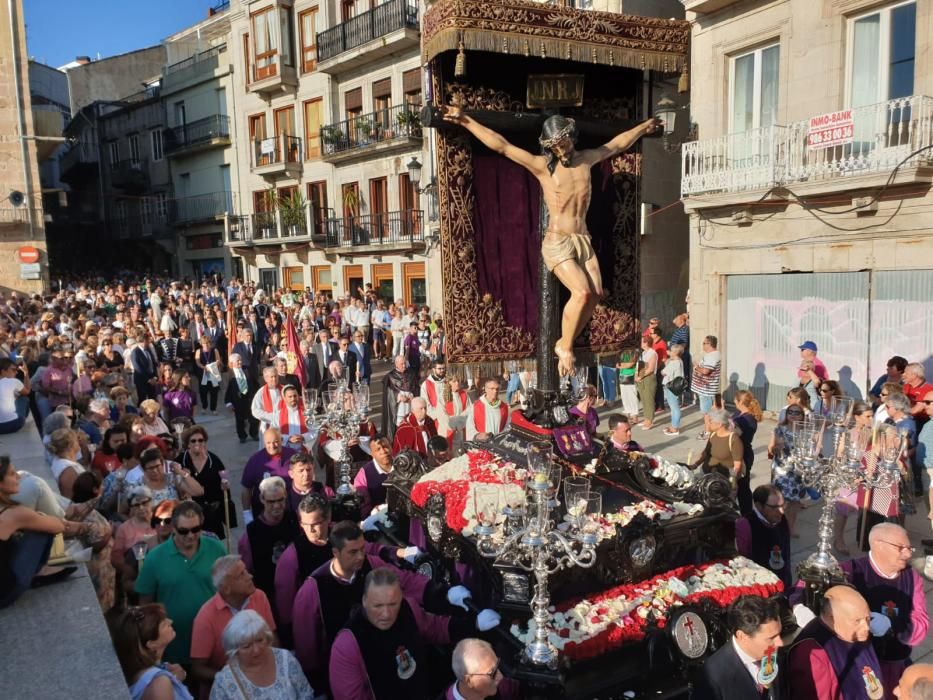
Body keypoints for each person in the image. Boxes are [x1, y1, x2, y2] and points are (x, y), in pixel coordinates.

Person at [442, 106, 660, 374]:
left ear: (571, 136)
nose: (561, 150)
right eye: (554, 146)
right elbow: (503, 147)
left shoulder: (587, 159)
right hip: (558, 241)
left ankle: (564, 341)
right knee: (580, 292)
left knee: (594, 295)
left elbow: (616, 145)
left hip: (583, 238)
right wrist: (465, 120)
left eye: (563, 142)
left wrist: (641, 128)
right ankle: (564, 346)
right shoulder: (543, 167)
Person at [292, 520, 455, 690]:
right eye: (353, 552)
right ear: (336, 552)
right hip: (349, 665)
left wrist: (444, 594)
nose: (361, 556)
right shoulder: (314, 587)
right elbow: (306, 643)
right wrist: (315, 683)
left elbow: (405, 581)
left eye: (363, 549)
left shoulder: (372, 564)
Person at [328, 567, 501, 700]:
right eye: (378, 606)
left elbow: (435, 628)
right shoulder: (348, 645)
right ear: (364, 601)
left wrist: (474, 624)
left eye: (393, 604)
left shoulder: (408, 610)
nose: (387, 614)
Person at [838, 523, 929, 691]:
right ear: (879, 544)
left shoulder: (912, 577)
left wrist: (891, 626)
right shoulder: (849, 571)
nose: (908, 554)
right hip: (858, 666)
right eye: (901, 548)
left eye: (909, 548)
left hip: (894, 666)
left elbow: (921, 626)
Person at [135, 500, 227, 667]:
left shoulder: (216, 549)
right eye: (183, 531)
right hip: (174, 648)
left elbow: (227, 588)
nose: (190, 536)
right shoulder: (155, 558)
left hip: (213, 641)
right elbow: (145, 603)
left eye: (196, 529)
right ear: (173, 528)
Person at [0, 456, 91, 607]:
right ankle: (41, 571)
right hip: (6, 592)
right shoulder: (14, 514)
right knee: (43, 529)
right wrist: (39, 518)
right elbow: (57, 527)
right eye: (11, 474)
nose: (18, 476)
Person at [190, 556, 277, 700]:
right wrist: (232, 678)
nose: (250, 576)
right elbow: (198, 669)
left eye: (246, 571)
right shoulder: (205, 618)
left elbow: (273, 639)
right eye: (241, 575)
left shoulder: (259, 596)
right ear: (226, 588)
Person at [787, 585, 885, 700]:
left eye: (868, 618)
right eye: (857, 621)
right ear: (832, 618)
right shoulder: (812, 652)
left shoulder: (857, 634)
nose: (866, 627)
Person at [693, 595, 784, 700]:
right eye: (771, 638)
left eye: (779, 634)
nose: (780, 643)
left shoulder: (776, 655)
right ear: (742, 636)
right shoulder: (712, 678)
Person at [208, 610, 311, 700]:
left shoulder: (286, 660)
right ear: (235, 651)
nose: (257, 650)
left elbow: (305, 694)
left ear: (267, 637)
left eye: (260, 640)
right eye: (247, 646)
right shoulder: (224, 683)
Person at [110, 604, 193, 700]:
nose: (171, 621)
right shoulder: (159, 684)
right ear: (151, 644)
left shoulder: (147, 672)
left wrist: (175, 679)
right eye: (164, 625)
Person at [237, 476, 296, 609]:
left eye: (280, 500)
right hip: (267, 598)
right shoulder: (251, 533)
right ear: (262, 499)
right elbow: (246, 571)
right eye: (271, 501)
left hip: (294, 592)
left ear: (285, 495)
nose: (276, 505)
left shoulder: (294, 520)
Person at [179, 427, 236, 540]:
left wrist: (224, 487)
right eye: (193, 440)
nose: (198, 443)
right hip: (190, 516)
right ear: (187, 444)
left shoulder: (214, 460)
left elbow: (224, 486)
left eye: (201, 440)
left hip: (212, 516)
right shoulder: (180, 461)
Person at [735, 485, 791, 589]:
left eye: (783, 505)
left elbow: (786, 553)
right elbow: (743, 560)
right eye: (774, 507)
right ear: (759, 506)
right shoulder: (745, 524)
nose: (782, 511)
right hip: (759, 588)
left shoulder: (782, 519)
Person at [239, 429, 297, 522]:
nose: (272, 446)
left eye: (276, 442)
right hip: (263, 513)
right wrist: (247, 514)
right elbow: (246, 488)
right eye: (268, 443)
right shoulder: (255, 461)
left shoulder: (293, 455)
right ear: (264, 442)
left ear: (282, 440)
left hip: (290, 510)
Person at [696, 408, 744, 487]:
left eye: (711, 421)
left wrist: (731, 482)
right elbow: (705, 453)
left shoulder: (734, 440)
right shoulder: (713, 434)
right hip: (706, 476)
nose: (708, 424)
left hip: (723, 482)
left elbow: (737, 465)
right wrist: (694, 465)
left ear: (719, 424)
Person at [733, 390, 763, 515]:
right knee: (743, 486)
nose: (734, 401)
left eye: (735, 399)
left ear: (740, 402)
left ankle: (747, 514)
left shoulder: (746, 420)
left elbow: (734, 433)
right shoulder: (744, 415)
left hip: (742, 455)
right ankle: (746, 513)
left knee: (742, 488)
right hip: (744, 453)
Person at [354, 437, 394, 518]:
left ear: (391, 447)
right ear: (372, 453)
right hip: (377, 519)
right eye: (378, 449)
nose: (383, 451)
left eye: (385, 446)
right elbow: (363, 506)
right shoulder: (364, 473)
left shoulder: (403, 464)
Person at [223, 353, 259, 444]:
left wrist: (258, 394)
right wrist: (228, 403)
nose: (240, 362)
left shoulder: (247, 369)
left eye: (240, 360)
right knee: (240, 420)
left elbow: (255, 383)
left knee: (254, 418)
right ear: (232, 363)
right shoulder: (229, 375)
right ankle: (242, 436)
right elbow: (227, 390)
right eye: (238, 361)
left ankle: (254, 434)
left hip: (250, 398)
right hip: (238, 400)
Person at [691, 335, 722, 437]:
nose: (703, 345)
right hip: (705, 389)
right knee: (708, 412)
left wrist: (696, 367)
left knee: (707, 413)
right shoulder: (712, 355)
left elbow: (705, 371)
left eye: (704, 343)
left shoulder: (712, 356)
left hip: (706, 389)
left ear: (709, 344)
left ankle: (708, 432)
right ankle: (709, 431)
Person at [48, 426, 87, 499]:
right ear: (71, 445)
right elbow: (70, 499)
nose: (79, 441)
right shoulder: (68, 470)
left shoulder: (58, 460)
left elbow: (84, 461)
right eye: (76, 439)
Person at [381, 355, 414, 440]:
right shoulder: (390, 376)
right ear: (396, 364)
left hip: (409, 407)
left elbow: (416, 387)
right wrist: (398, 396)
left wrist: (412, 394)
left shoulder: (410, 373)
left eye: (405, 363)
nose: (404, 366)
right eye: (401, 364)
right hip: (398, 408)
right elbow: (388, 392)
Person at [0, 358, 30, 433]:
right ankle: (23, 418)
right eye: (13, 370)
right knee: (23, 398)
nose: (16, 372)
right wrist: (26, 373)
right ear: (3, 371)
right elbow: (27, 391)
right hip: (12, 425)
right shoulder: (13, 381)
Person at [194, 336, 223, 415]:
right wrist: (204, 367)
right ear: (201, 344)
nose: (206, 345)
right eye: (204, 343)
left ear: (210, 343)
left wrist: (214, 365)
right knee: (203, 391)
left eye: (207, 343)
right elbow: (197, 362)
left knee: (214, 391)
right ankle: (204, 407)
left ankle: (213, 408)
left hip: (213, 372)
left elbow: (218, 360)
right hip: (203, 373)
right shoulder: (198, 351)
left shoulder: (215, 350)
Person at [251, 367, 282, 437]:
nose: (274, 379)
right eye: (271, 377)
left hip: (283, 424)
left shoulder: (284, 390)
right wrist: (272, 417)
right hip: (267, 425)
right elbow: (255, 410)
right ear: (265, 378)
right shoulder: (261, 392)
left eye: (275, 376)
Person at [635, 335, 658, 430]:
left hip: (648, 378)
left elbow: (651, 369)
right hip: (641, 378)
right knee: (644, 399)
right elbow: (638, 366)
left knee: (649, 400)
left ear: (646, 343)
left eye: (642, 341)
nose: (640, 343)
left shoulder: (653, 353)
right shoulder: (643, 353)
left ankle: (650, 421)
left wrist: (641, 376)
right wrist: (636, 376)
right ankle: (646, 418)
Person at [661, 344, 685, 436]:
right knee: (673, 407)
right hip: (672, 386)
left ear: (675, 352)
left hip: (672, 387)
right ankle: (673, 426)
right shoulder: (677, 361)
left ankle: (675, 428)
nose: (669, 352)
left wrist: (665, 365)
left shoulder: (675, 362)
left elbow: (663, 372)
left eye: (671, 350)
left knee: (675, 408)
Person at [797, 340, 829, 409]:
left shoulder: (816, 364)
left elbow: (819, 384)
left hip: (812, 403)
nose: (801, 351)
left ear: (809, 351)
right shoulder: (806, 362)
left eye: (802, 349)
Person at [131, 333, 160, 403]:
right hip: (142, 380)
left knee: (153, 398)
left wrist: (155, 376)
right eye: (147, 341)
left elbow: (153, 363)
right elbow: (138, 368)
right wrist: (148, 379)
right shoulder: (135, 352)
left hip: (152, 379)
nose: (148, 342)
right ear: (142, 341)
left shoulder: (148, 349)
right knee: (142, 399)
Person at [617, 346, 640, 424]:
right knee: (625, 396)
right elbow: (617, 364)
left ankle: (635, 416)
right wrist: (622, 365)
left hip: (630, 376)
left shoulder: (634, 352)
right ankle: (628, 414)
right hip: (622, 376)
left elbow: (630, 364)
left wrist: (622, 365)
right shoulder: (621, 353)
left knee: (632, 397)